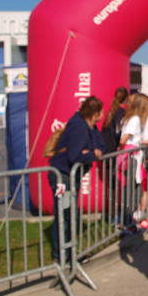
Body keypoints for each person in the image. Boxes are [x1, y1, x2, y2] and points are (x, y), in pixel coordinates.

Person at [48, 96, 106, 262]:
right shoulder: (78, 127)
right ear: (95, 113)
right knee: (64, 216)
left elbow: (102, 146)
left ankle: (70, 252)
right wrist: (92, 155)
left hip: (73, 176)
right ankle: (62, 255)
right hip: (62, 176)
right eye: (101, 111)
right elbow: (74, 156)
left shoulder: (91, 127)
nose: (103, 114)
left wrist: (91, 153)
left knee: (71, 215)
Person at [118, 93, 148, 226]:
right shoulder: (135, 119)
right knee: (134, 189)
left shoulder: (130, 118)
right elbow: (124, 139)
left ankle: (133, 219)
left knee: (134, 189)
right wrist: (134, 146)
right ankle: (131, 220)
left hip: (131, 156)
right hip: (132, 157)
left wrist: (141, 142)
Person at [101, 86, 129, 153]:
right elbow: (118, 131)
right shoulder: (120, 113)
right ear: (126, 98)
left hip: (106, 147)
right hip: (112, 149)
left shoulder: (112, 111)